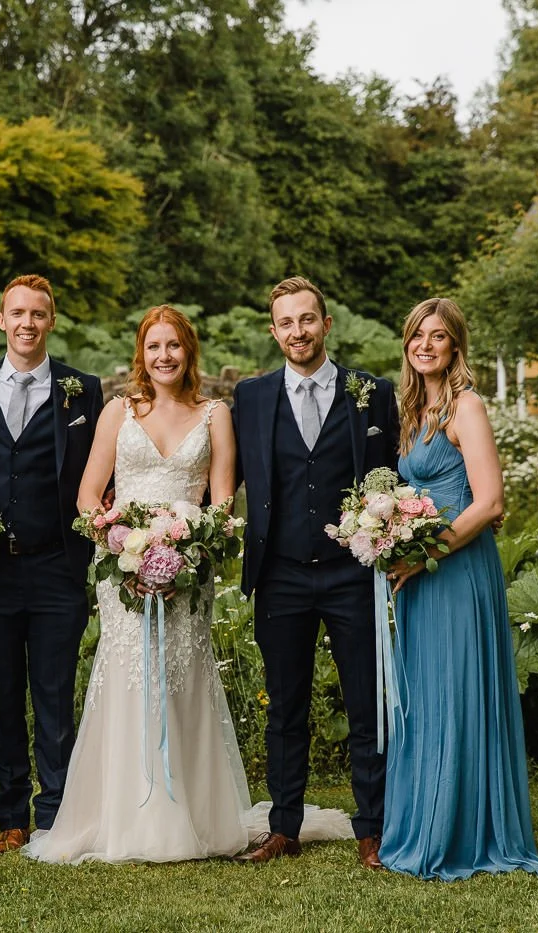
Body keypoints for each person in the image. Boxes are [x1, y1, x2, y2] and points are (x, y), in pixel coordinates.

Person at [25, 305, 266, 863]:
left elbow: (223, 505)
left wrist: (189, 554)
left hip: (189, 571)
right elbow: (88, 496)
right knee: (130, 676)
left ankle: (192, 813)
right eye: (154, 346)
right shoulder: (118, 412)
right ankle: (124, 815)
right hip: (124, 573)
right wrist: (122, 549)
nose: (164, 356)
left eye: (174, 345)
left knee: (182, 676)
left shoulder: (216, 415)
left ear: (189, 351)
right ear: (141, 353)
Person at [380, 297, 538, 880]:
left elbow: (490, 502)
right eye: (417, 336)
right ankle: (430, 820)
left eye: (437, 336)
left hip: (457, 569)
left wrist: (425, 553)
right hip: (422, 573)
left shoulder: (466, 406)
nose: (425, 345)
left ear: (455, 345)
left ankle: (463, 832)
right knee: (427, 694)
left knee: (457, 690)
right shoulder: (413, 411)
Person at [232, 276, 400, 868]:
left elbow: (395, 472)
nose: (297, 331)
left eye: (307, 319)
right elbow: (223, 474)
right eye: (286, 322)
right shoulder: (251, 398)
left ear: (326, 324)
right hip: (279, 574)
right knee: (285, 706)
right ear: (273, 331)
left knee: (366, 703)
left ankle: (373, 827)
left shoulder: (371, 392)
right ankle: (284, 827)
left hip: (352, 571)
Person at [0, 275, 104, 853]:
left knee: (55, 697)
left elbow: (102, 469)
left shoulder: (83, 391)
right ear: (1, 320)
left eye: (38, 314)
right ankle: (12, 814)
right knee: (1, 696)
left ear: (51, 322)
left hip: (55, 568)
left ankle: (56, 814)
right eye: (17, 313)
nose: (27, 323)